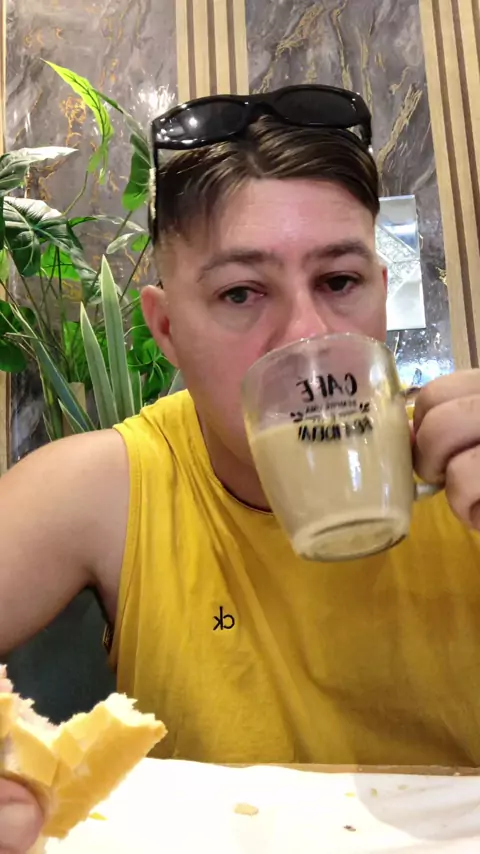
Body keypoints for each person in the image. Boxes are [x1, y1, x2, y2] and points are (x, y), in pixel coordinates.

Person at [1, 83, 480, 850]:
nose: (307, 335)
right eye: (240, 293)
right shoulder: (115, 486)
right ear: (166, 328)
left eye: (340, 281)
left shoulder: (463, 467)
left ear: (382, 296)